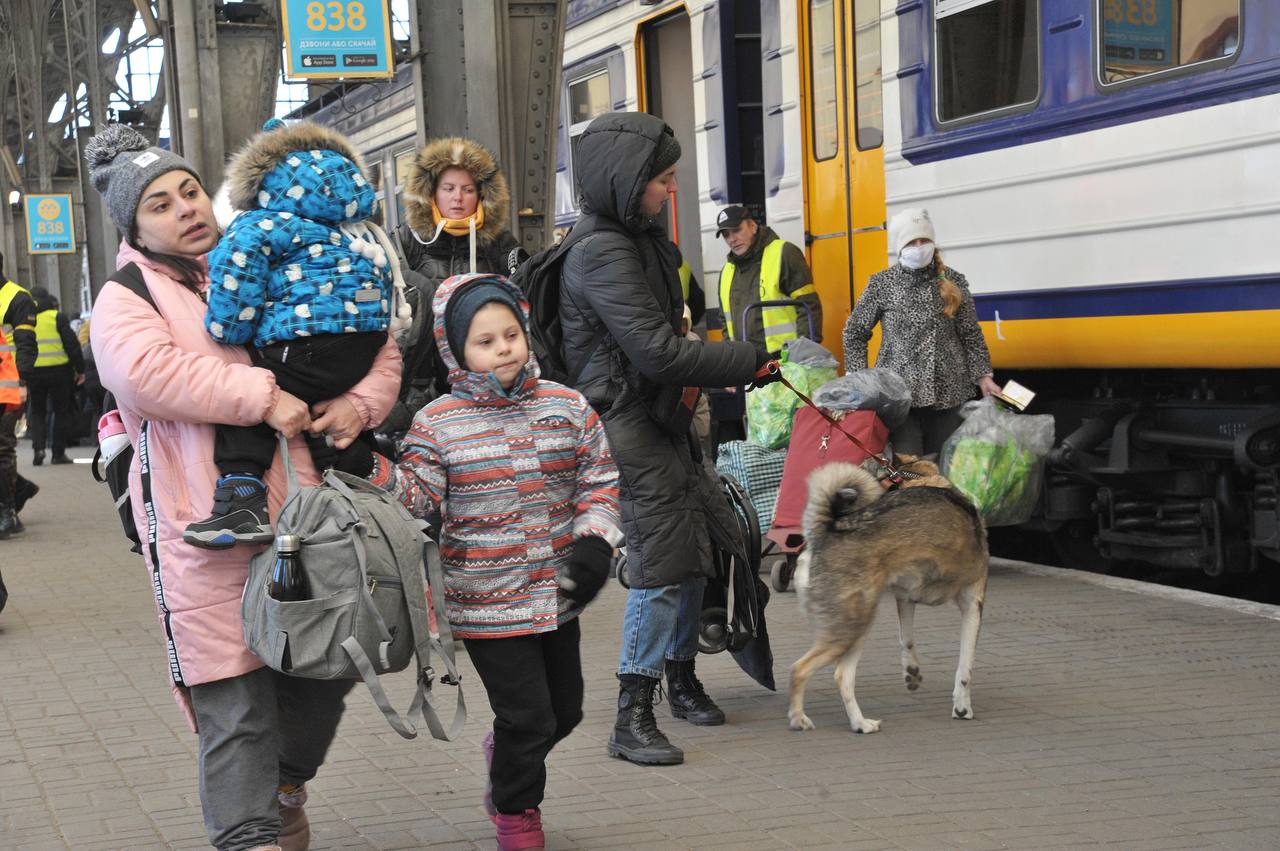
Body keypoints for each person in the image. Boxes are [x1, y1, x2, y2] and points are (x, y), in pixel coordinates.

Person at [85, 123, 401, 851]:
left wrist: (361, 405)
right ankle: (249, 830)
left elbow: (376, 337)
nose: (185, 209)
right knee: (235, 701)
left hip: (312, 517)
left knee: (331, 667)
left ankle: (286, 783)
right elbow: (147, 373)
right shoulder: (127, 295)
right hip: (208, 527)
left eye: (190, 191)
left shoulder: (274, 247)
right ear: (134, 226)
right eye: (160, 204)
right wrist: (261, 395)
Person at [367, 273, 622, 851]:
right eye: (485, 341)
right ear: (457, 350)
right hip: (484, 599)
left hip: (560, 593)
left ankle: (508, 755)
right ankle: (516, 814)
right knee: (528, 717)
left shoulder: (567, 407)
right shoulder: (437, 422)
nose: (503, 347)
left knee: (566, 713)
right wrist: (373, 461)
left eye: (510, 333)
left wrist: (595, 542)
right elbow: (417, 499)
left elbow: (600, 482)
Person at [557, 111, 777, 766]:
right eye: (663, 177)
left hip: (661, 416)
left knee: (699, 546)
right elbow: (657, 351)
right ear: (629, 180)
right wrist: (746, 361)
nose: (671, 190)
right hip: (624, 421)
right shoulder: (600, 250)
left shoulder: (641, 240)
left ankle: (681, 677)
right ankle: (633, 712)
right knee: (659, 563)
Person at [184, 118, 404, 550]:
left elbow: (237, 275)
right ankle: (358, 490)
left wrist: (227, 328)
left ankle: (241, 498)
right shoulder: (355, 228)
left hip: (304, 340)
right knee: (326, 419)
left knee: (254, 399)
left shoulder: (263, 223)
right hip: (363, 347)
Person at [386, 137, 528, 432]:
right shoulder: (406, 240)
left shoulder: (499, 243)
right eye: (448, 189)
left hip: (483, 381)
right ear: (431, 194)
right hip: (421, 384)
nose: (458, 199)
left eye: (468, 190)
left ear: (482, 195)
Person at [843, 207, 998, 456]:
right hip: (900, 398)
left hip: (949, 393)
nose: (919, 246)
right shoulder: (882, 284)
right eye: (911, 241)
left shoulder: (954, 281)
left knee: (944, 467)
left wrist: (983, 376)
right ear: (899, 247)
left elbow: (970, 333)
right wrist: (858, 378)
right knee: (910, 468)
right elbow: (855, 331)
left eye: (924, 240)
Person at [715, 204, 822, 360]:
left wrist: (804, 357)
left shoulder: (784, 253)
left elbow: (808, 307)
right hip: (746, 364)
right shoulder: (726, 272)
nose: (732, 239)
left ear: (752, 226)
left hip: (786, 361)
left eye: (737, 230)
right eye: (726, 235)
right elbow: (725, 323)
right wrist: (730, 364)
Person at [0, 253, 39, 538]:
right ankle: (20, 487)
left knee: (2, 448)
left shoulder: (17, 298)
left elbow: (26, 347)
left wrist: (20, 385)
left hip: (7, 386)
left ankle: (7, 513)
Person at [26, 287, 85, 465]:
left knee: (37, 412)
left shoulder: (26, 318)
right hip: (60, 372)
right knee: (60, 412)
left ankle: (39, 449)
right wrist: (80, 369)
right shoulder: (56, 317)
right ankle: (58, 454)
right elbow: (72, 345)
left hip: (35, 372)